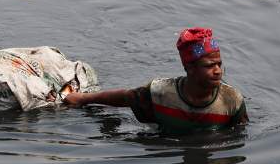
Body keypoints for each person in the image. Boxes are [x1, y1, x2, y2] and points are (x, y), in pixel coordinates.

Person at [63, 27, 247, 133]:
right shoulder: (161, 93)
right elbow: (125, 97)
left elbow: (240, 133)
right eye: (209, 66)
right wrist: (82, 99)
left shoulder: (232, 101)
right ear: (189, 68)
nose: (217, 71)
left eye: (219, 64)